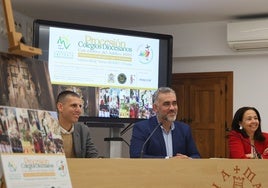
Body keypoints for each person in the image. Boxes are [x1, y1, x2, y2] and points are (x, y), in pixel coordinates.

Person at [129, 87, 200, 159]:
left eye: (174, 103)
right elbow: (137, 156)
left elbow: (196, 156)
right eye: (166, 104)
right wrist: (168, 160)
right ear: (155, 108)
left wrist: (188, 159)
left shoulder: (184, 129)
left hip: (179, 170)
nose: (172, 108)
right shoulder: (142, 128)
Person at [56, 90, 98, 158]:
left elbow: (93, 155)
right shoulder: (48, 128)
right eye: (74, 105)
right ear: (60, 107)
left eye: (80, 106)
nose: (79, 110)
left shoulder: (83, 130)